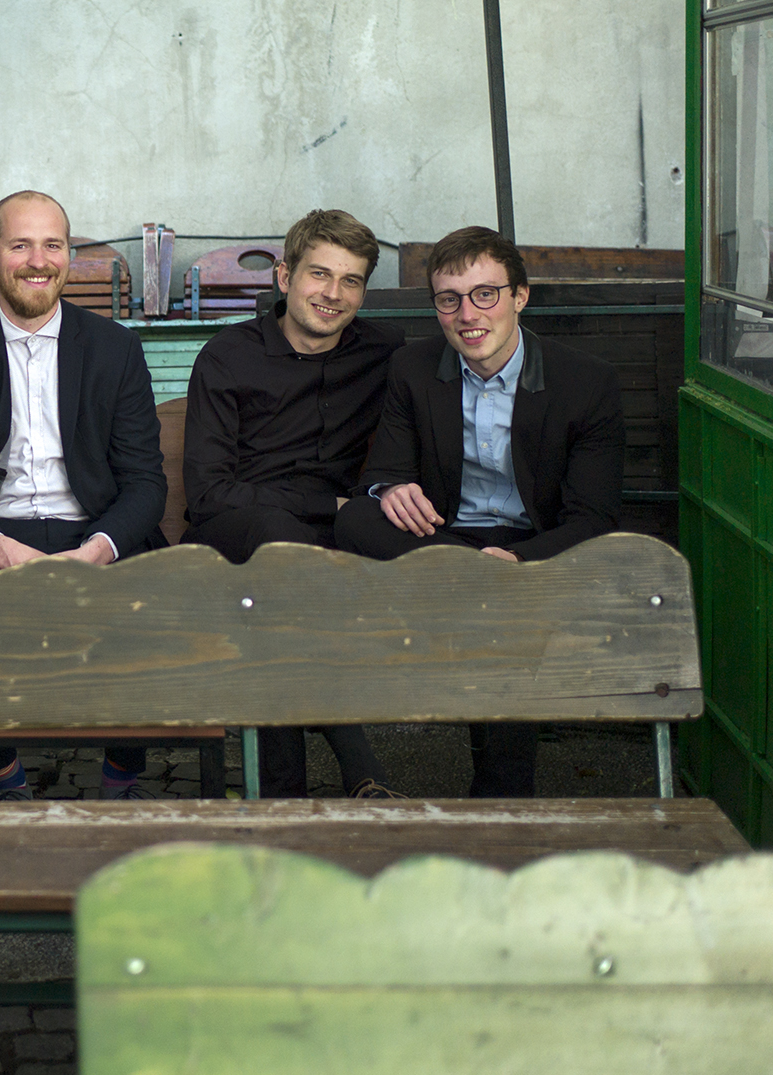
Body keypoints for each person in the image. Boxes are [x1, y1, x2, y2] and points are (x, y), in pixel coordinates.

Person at [335, 225, 625, 798]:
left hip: (530, 548)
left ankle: (501, 795)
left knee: (507, 611)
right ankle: (504, 797)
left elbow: (593, 519)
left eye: (485, 294)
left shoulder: (585, 381)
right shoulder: (413, 368)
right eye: (449, 299)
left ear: (520, 297)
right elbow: (380, 475)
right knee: (354, 518)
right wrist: (390, 489)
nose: (468, 314)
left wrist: (516, 562)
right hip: (444, 542)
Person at [0, 191, 168, 799]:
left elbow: (145, 482)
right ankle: (6, 781)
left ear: (68, 255)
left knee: (153, 612)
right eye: (20, 245)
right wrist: (3, 552)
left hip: (93, 530)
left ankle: (121, 781)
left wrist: (98, 551)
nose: (38, 260)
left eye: (52, 245)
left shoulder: (114, 348)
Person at [178, 209, 404, 799]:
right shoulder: (228, 355)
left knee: (285, 593)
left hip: (327, 545)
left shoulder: (386, 353)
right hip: (229, 541)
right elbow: (208, 493)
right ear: (284, 277)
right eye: (319, 274)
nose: (333, 294)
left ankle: (284, 800)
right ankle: (363, 771)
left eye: (351, 281)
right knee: (281, 548)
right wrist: (327, 504)